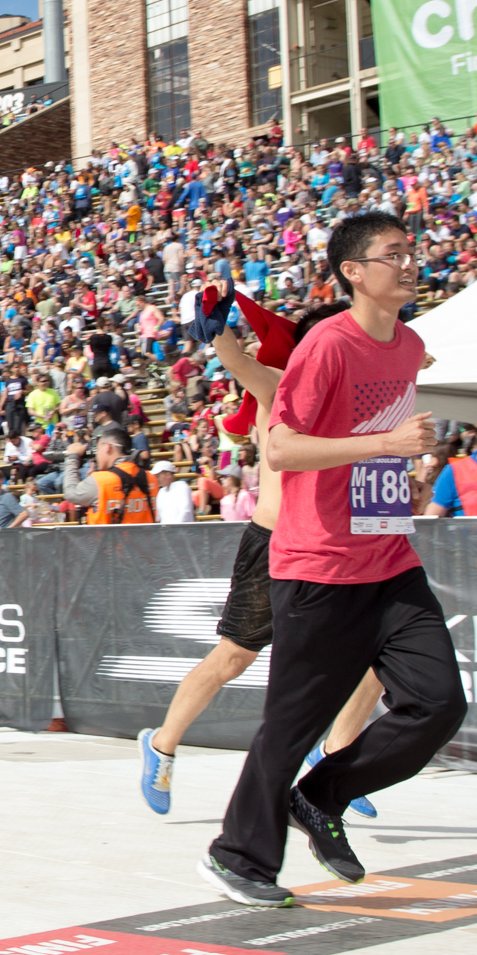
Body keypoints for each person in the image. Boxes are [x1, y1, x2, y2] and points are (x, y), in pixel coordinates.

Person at [202, 211, 459, 909]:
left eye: (412, 252)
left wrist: (395, 453)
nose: (408, 264)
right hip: (317, 566)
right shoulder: (324, 347)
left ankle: (321, 798)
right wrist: (385, 446)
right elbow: (281, 450)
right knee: (290, 726)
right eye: (392, 255)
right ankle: (239, 856)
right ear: (352, 272)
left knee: (438, 704)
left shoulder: (409, 344)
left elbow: (388, 412)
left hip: (390, 558)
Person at [137, 314, 382, 821]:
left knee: (380, 656)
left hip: (329, 545)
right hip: (274, 545)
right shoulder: (282, 388)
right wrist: (216, 319)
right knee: (232, 659)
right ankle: (161, 746)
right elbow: (235, 360)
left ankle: (334, 754)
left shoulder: (354, 395)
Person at [86, 433, 154, 524]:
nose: (96, 456)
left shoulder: (100, 480)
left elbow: (71, 493)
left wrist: (72, 456)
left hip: (108, 536)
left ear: (108, 447)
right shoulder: (151, 477)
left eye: (98, 450)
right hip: (146, 535)